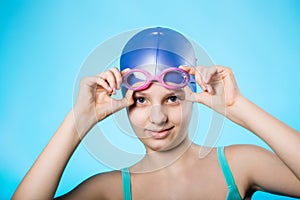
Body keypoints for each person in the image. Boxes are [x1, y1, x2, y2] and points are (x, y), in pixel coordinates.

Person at [13, 27, 300, 200]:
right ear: (124, 100)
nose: (158, 117)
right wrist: (78, 121)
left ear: (194, 95)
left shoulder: (239, 164)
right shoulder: (109, 190)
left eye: (172, 98)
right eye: (140, 100)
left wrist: (239, 107)